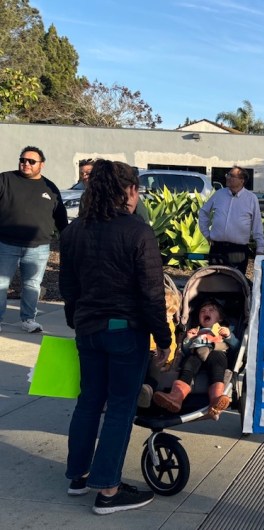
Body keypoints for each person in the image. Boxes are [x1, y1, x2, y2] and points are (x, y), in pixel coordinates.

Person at [60, 159, 171, 515]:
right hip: (125, 333)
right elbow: (152, 294)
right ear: (129, 191)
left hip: (88, 329)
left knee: (89, 400)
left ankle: (78, 476)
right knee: (121, 408)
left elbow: (68, 287)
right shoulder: (138, 231)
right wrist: (164, 338)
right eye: (136, 188)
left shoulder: (75, 230)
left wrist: (76, 321)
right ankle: (108, 489)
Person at [0, 146, 68, 333]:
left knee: (32, 285)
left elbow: (60, 217)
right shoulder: (5, 179)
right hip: (6, 244)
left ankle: (28, 319)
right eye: (23, 160)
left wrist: (68, 238)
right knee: (1, 284)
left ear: (41, 165)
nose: (26, 164)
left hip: (38, 248)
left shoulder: (49, 187)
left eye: (31, 161)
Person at [153, 299, 238, 420]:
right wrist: (188, 339)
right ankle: (176, 397)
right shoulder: (196, 331)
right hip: (196, 354)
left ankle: (216, 399)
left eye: (211, 310)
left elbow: (235, 347)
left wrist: (229, 336)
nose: (205, 312)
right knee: (188, 364)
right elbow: (186, 351)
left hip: (216, 353)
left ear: (220, 318)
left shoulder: (224, 329)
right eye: (202, 311)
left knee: (217, 365)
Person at [198, 165, 264, 274]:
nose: (227, 177)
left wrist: (260, 249)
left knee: (235, 284)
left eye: (231, 175)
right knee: (214, 281)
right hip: (217, 248)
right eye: (227, 174)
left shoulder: (251, 198)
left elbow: (257, 224)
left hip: (238, 251)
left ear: (241, 180)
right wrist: (206, 234)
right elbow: (203, 212)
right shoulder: (219, 194)